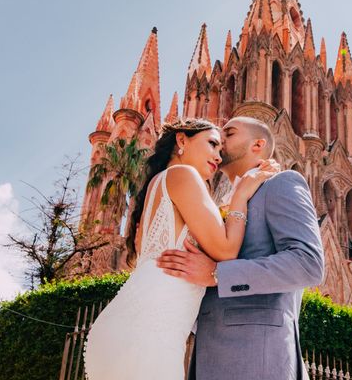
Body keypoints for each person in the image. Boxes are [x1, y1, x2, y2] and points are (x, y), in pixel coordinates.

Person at [83, 118, 278, 380]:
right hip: (148, 333)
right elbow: (226, 250)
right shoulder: (183, 175)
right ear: (182, 140)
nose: (218, 157)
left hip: (133, 327)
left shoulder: (163, 182)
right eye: (211, 144)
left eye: (220, 149)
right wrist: (241, 195)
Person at [157, 116, 325, 380]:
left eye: (230, 133)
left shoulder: (281, 184)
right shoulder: (219, 203)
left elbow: (308, 264)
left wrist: (217, 274)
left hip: (257, 356)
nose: (219, 140)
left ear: (257, 145)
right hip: (206, 354)